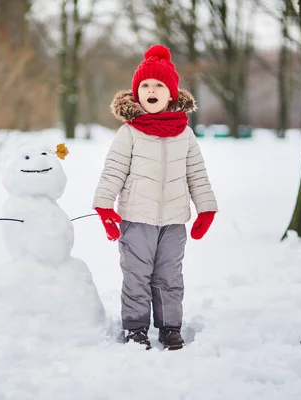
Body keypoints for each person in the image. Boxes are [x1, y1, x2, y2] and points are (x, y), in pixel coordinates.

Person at [92, 44, 218, 350]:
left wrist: (206, 209)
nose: (151, 90)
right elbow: (113, 172)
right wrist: (105, 207)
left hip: (174, 221)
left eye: (158, 85)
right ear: (137, 93)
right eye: (145, 85)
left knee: (169, 276)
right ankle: (135, 327)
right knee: (136, 276)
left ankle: (170, 326)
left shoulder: (184, 133)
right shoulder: (130, 132)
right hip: (136, 219)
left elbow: (196, 174)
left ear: (171, 94)